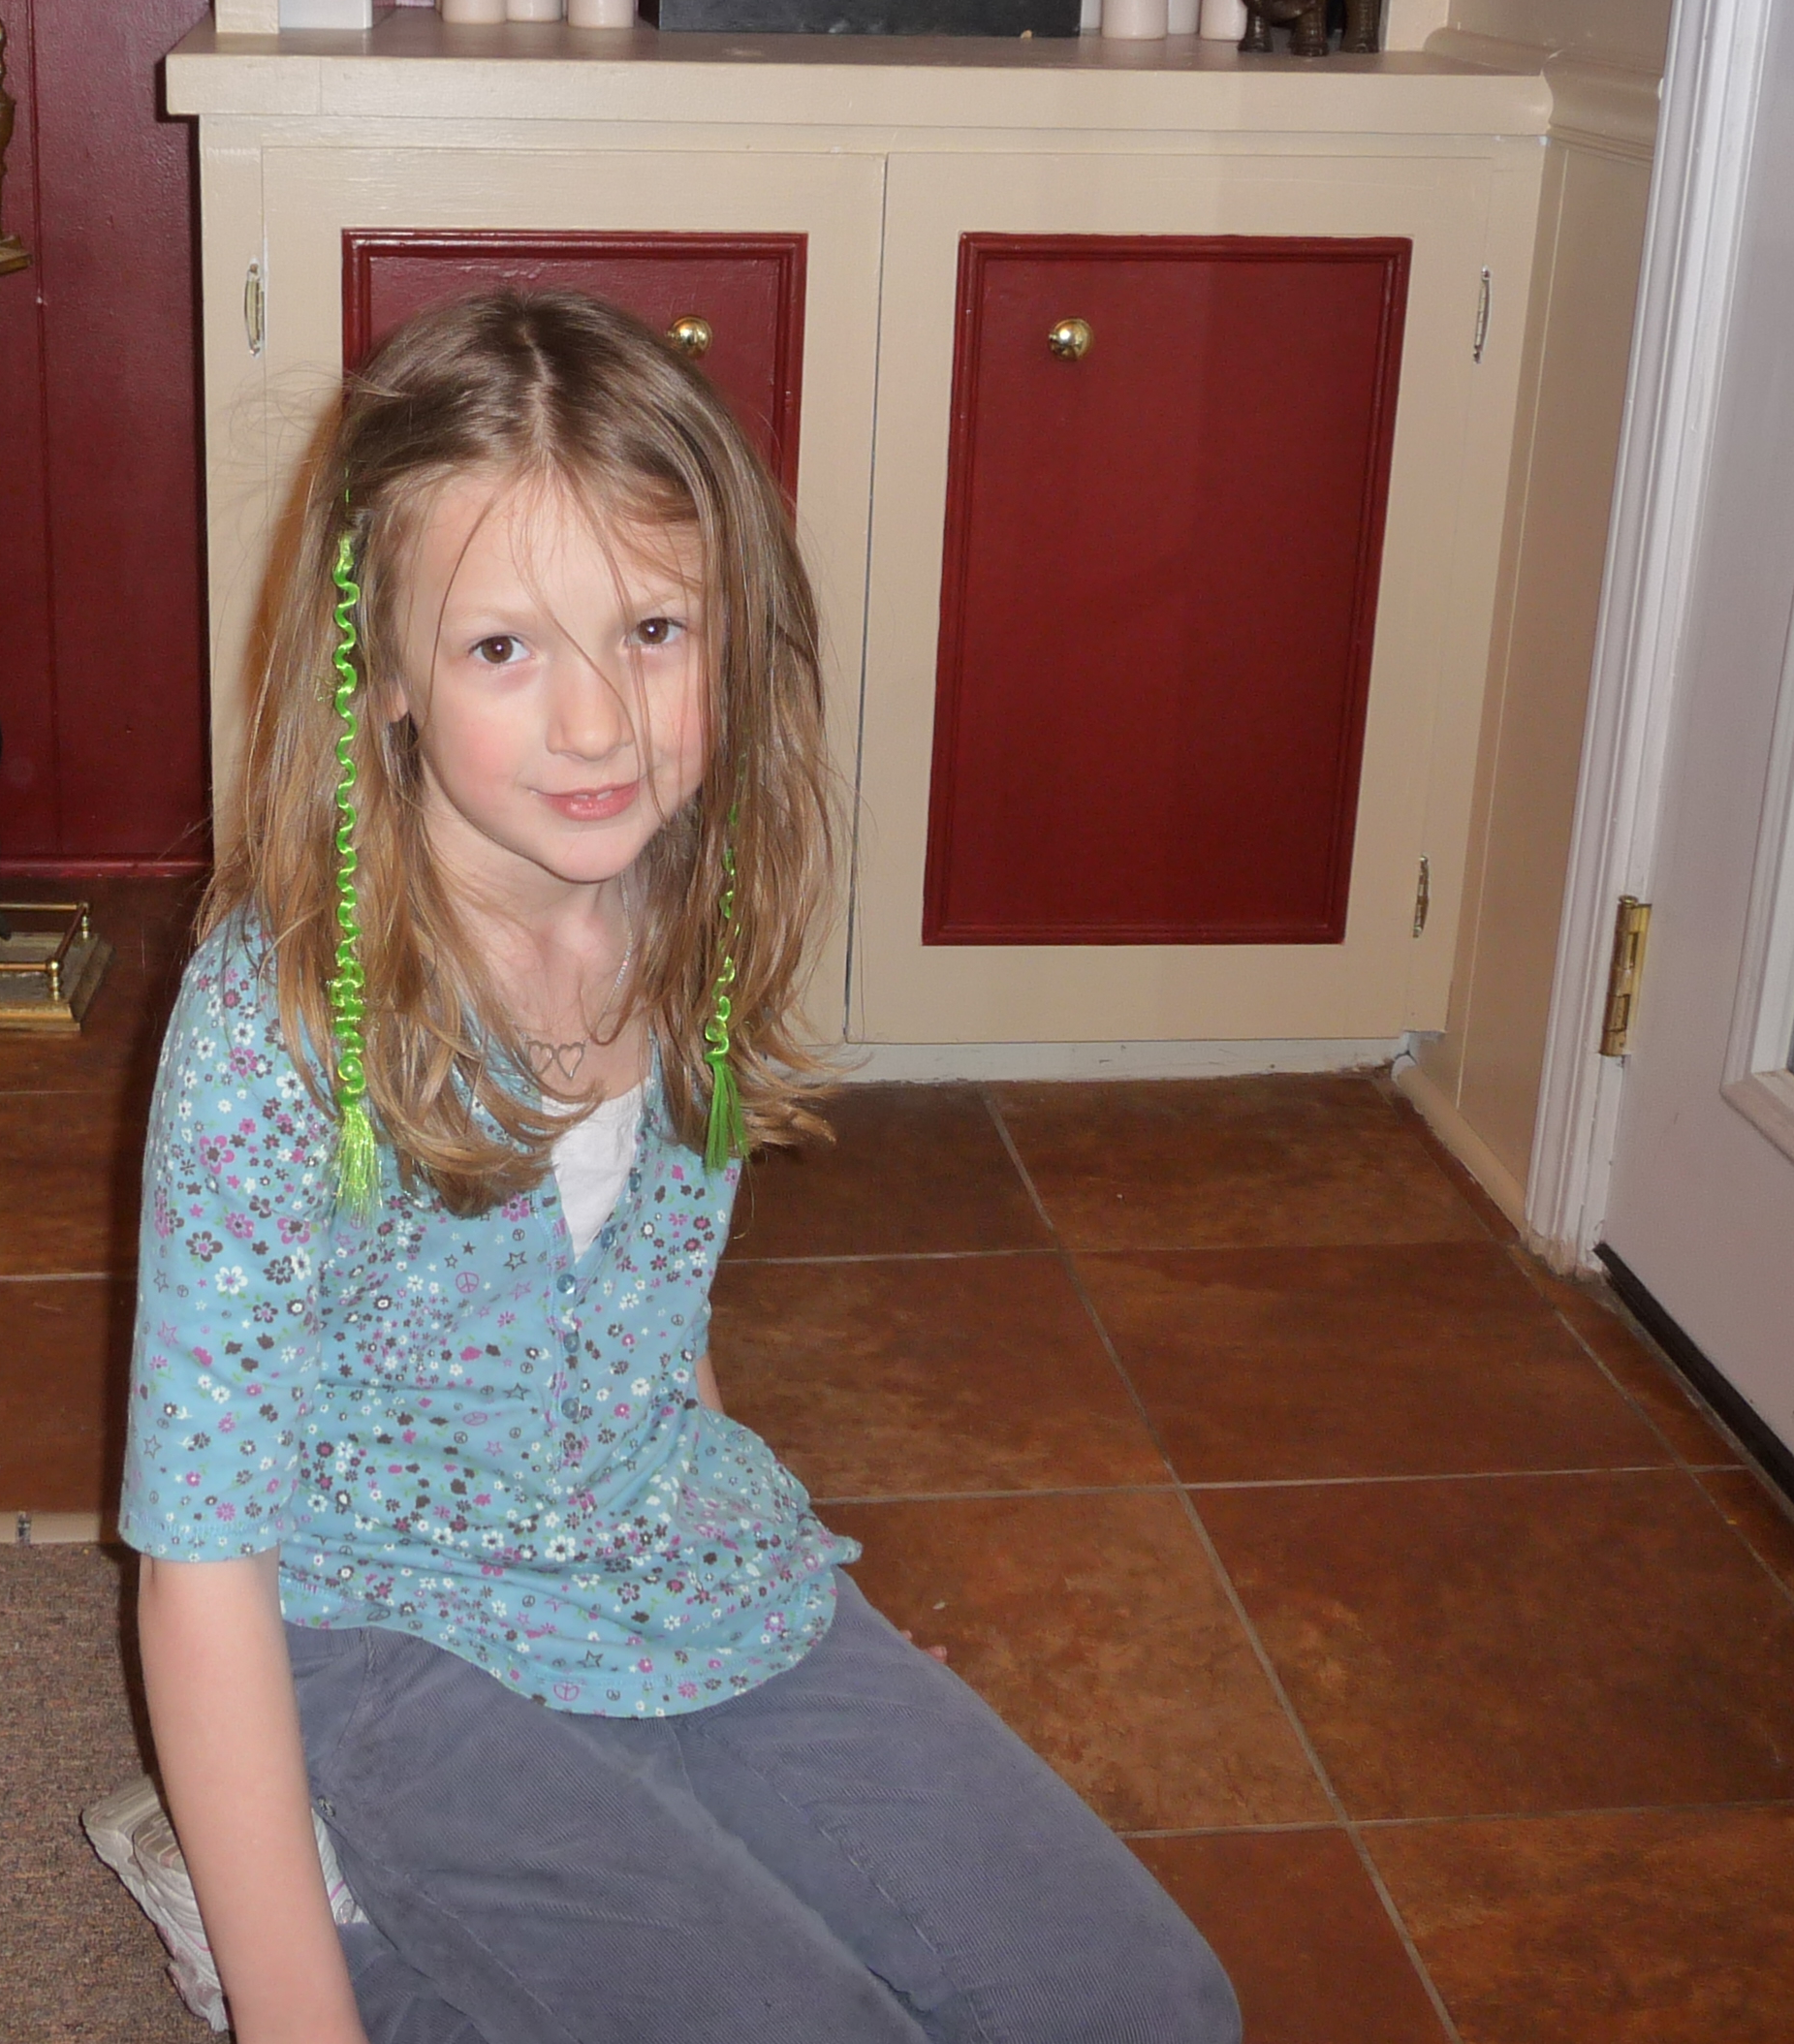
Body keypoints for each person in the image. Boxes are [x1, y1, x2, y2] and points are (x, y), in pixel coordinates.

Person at [116, 290, 1241, 2044]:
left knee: (1155, 2010)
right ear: (380, 672)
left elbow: (644, 1316)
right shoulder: (273, 1035)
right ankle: (301, 1895)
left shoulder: (684, 896)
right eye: (503, 649)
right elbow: (202, 1563)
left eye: (653, 629)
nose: (599, 726)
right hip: (376, 1630)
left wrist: (772, 1598)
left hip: (656, 1546)